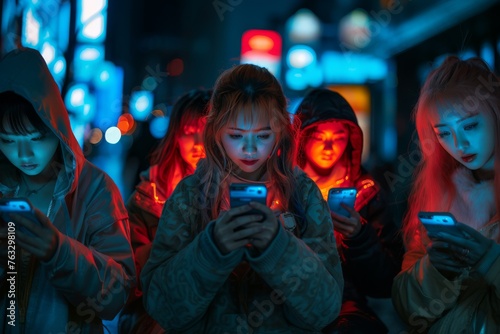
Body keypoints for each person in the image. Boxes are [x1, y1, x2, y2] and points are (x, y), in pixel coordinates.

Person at [140, 64, 344, 333]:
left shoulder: (302, 195)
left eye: (262, 135)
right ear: (215, 132)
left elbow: (325, 309)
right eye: (236, 135)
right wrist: (212, 248)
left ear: (281, 131)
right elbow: (161, 306)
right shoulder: (191, 196)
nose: (250, 149)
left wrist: (278, 247)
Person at [0, 47, 135, 333]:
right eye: (8, 141)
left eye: (36, 138)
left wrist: (58, 252)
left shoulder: (95, 190)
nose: (24, 154)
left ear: (55, 127)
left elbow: (116, 295)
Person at [392, 55, 500, 332]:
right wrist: (435, 271)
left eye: (470, 125)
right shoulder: (440, 194)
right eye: (443, 133)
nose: (459, 144)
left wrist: (491, 262)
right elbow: (406, 308)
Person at [295, 88, 404, 333]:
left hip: (346, 306)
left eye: (339, 136)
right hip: (288, 300)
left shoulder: (366, 193)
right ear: (301, 138)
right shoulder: (283, 190)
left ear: (352, 139)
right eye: (319, 136)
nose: (329, 146)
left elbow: (386, 282)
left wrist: (359, 237)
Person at [118, 89, 211, 333]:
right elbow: (129, 277)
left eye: (207, 133)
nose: (199, 144)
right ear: (175, 137)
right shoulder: (148, 198)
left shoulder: (235, 192)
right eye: (190, 133)